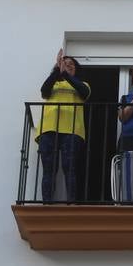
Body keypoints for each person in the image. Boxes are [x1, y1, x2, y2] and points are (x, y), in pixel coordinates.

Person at [37, 49, 90, 203]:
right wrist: (57, 72)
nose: (68, 66)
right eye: (64, 64)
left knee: (70, 167)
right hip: (48, 128)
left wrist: (65, 73)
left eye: (71, 64)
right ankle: (47, 203)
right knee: (49, 169)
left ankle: (71, 202)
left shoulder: (82, 84)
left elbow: (84, 92)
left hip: (73, 130)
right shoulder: (53, 83)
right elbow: (44, 91)